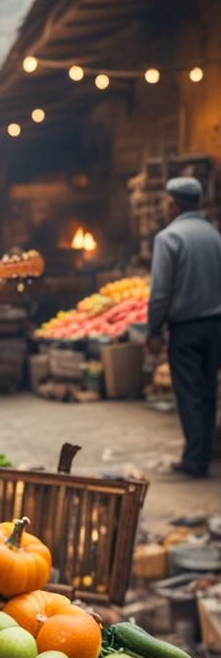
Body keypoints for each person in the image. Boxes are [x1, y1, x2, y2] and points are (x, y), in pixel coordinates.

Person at [148, 176, 221, 477]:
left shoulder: (169, 237)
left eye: (166, 202)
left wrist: (153, 330)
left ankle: (195, 459)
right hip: (217, 326)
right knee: (207, 390)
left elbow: (161, 292)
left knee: (189, 392)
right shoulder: (216, 236)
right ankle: (203, 451)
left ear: (173, 204)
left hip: (186, 329)